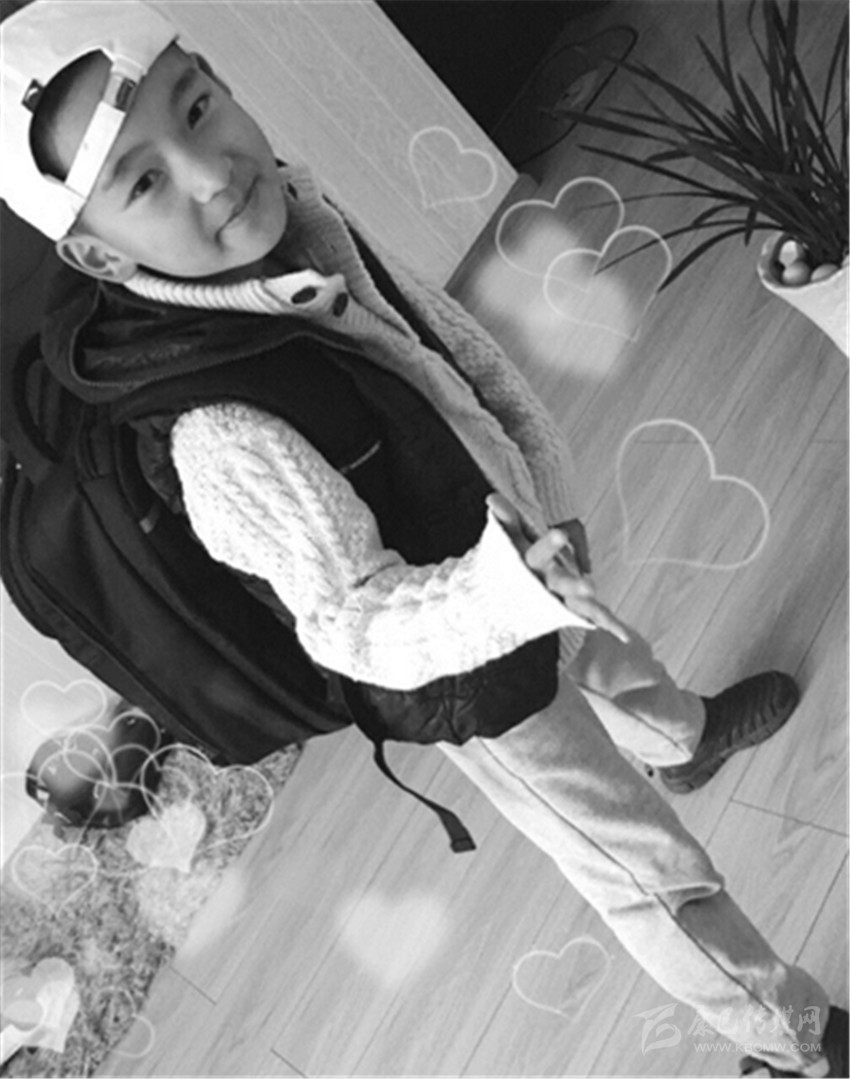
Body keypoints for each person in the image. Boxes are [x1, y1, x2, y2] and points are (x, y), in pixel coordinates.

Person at [1, 4, 845, 1076]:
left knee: (611, 651)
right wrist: (507, 587)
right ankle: (791, 1039)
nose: (212, 174)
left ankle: (683, 738)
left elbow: (438, 342)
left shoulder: (296, 217)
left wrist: (535, 482)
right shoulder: (217, 435)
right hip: (462, 669)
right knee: (644, 867)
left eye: (198, 107)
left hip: (514, 547)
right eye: (144, 183)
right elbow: (348, 623)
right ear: (94, 253)